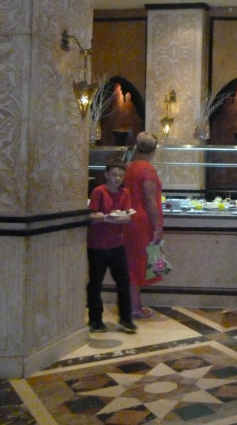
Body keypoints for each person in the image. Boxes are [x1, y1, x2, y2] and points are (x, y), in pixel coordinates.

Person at [86, 161, 137, 334]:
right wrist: (110, 217)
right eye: (114, 174)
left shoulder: (125, 193)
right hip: (97, 245)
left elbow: (128, 217)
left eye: (121, 175)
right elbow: (92, 217)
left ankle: (125, 319)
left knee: (123, 282)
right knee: (95, 283)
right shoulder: (99, 191)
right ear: (106, 175)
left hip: (117, 244)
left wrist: (106, 217)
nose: (117, 178)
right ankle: (95, 320)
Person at [124, 132, 164, 319]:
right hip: (143, 222)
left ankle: (133, 305)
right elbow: (149, 201)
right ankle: (135, 308)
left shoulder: (131, 166)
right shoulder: (148, 170)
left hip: (131, 219)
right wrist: (157, 226)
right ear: (154, 150)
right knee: (139, 265)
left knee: (133, 263)